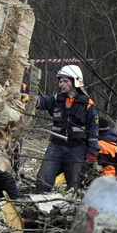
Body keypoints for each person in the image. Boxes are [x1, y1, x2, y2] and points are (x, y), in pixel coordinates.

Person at [34, 65, 100, 193]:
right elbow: (42, 101)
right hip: (55, 147)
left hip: (77, 149)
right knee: (43, 179)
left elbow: (93, 130)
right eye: (60, 81)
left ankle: (69, 210)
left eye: (65, 81)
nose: (61, 84)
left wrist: (92, 152)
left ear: (76, 81)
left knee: (74, 185)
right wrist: (30, 99)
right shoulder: (56, 100)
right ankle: (40, 205)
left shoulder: (88, 105)